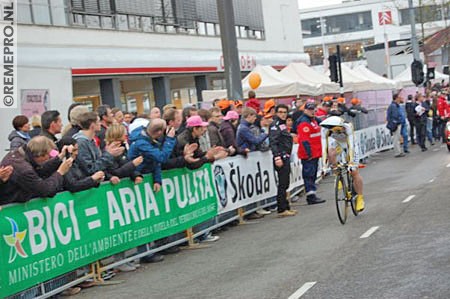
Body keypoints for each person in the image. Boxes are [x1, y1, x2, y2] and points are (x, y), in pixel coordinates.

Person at [0, 136, 73, 204]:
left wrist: (60, 157)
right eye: (49, 155)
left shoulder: (17, 154)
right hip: (13, 208)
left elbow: (38, 170)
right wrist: (60, 172)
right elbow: (45, 190)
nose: (50, 158)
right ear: (41, 154)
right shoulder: (24, 170)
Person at [320, 116, 365, 212]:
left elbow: (351, 146)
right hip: (338, 144)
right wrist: (324, 166)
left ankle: (360, 197)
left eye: (338, 130)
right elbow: (324, 148)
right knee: (330, 153)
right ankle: (338, 175)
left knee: (354, 172)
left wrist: (352, 163)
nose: (336, 132)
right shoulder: (325, 130)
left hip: (351, 144)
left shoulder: (348, 127)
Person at [73, 112, 124, 177]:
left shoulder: (91, 140)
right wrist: (109, 154)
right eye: (98, 121)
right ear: (92, 125)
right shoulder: (81, 142)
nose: (100, 123)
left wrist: (109, 176)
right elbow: (89, 169)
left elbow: (98, 161)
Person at [269, 104, 297, 217]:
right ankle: (281, 209)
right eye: (280, 112)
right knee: (282, 183)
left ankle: (286, 206)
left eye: (285, 112)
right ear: (276, 113)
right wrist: (277, 157)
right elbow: (273, 141)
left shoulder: (282, 124)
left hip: (285, 155)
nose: (283, 114)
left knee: (285, 183)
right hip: (280, 157)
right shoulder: (275, 125)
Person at [296, 101, 325, 205]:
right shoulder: (304, 122)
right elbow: (304, 140)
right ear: (305, 110)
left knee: (312, 174)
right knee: (309, 174)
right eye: (310, 110)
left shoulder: (312, 120)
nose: (312, 111)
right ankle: (310, 195)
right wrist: (309, 153)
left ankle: (312, 194)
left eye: (313, 109)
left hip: (315, 152)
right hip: (309, 153)